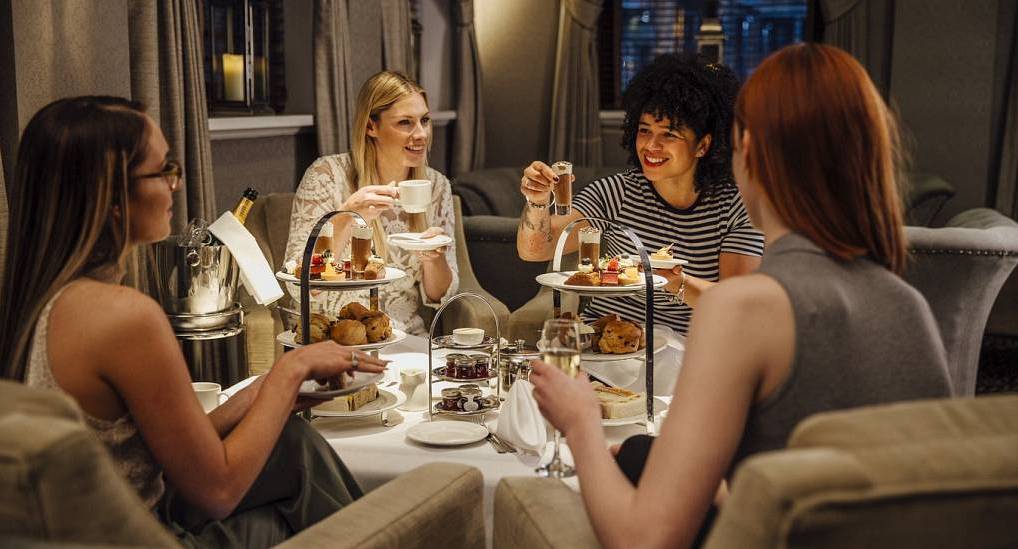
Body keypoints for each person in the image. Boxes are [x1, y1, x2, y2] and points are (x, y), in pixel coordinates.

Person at [529, 44, 953, 548]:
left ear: (745, 150)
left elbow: (644, 539)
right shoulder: (909, 306)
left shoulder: (742, 309)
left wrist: (580, 421)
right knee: (640, 453)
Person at [0, 96, 387, 547]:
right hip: (147, 537)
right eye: (164, 170)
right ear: (112, 199)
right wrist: (292, 368)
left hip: (117, 519)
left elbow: (158, 453)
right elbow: (218, 490)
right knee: (291, 514)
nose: (176, 184)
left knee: (292, 443)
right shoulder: (124, 318)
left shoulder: (46, 301)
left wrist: (266, 394)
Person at [517, 53, 765, 335]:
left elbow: (738, 305)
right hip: (605, 341)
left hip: (688, 347)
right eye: (644, 130)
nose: (651, 145)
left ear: (703, 145)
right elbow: (535, 250)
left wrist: (673, 281)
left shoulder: (736, 207)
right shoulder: (616, 192)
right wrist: (537, 202)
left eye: (669, 134)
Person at [285, 71, 457, 335]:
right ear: (370, 127)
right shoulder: (326, 175)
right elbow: (299, 285)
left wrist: (434, 259)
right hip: (335, 334)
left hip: (403, 336)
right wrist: (346, 216)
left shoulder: (437, 186)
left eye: (424, 120)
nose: (421, 133)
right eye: (405, 122)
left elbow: (438, 295)